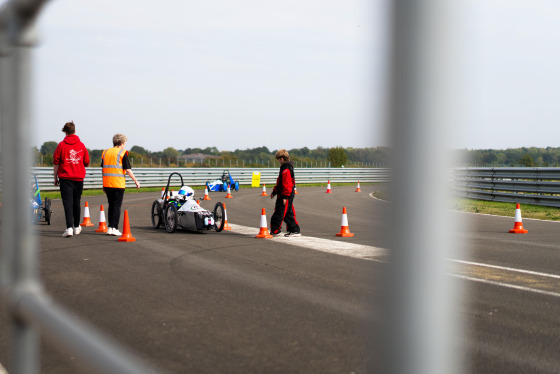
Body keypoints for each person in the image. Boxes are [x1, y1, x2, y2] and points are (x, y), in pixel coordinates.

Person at [53, 121, 90, 237]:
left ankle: (69, 228)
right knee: (76, 202)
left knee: (67, 203)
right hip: (78, 178)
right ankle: (76, 227)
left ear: (65, 132)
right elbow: (86, 162)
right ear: (75, 131)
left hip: (65, 178)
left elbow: (56, 163)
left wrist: (55, 177)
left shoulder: (61, 145)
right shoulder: (81, 145)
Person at [101, 133, 140, 236]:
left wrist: (103, 184)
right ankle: (115, 228)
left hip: (107, 183)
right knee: (117, 206)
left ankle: (110, 227)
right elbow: (128, 170)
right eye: (125, 143)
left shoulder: (105, 152)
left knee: (111, 205)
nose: (125, 145)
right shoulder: (122, 153)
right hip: (118, 184)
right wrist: (136, 181)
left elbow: (103, 169)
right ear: (122, 143)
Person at [270, 149, 300, 237]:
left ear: (282, 159)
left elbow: (287, 183)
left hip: (286, 194)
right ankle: (294, 230)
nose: (278, 161)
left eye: (278, 159)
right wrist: (274, 192)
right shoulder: (284, 168)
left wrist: (285, 197)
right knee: (288, 213)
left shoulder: (286, 169)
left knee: (279, 212)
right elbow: (280, 182)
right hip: (285, 193)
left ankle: (275, 230)